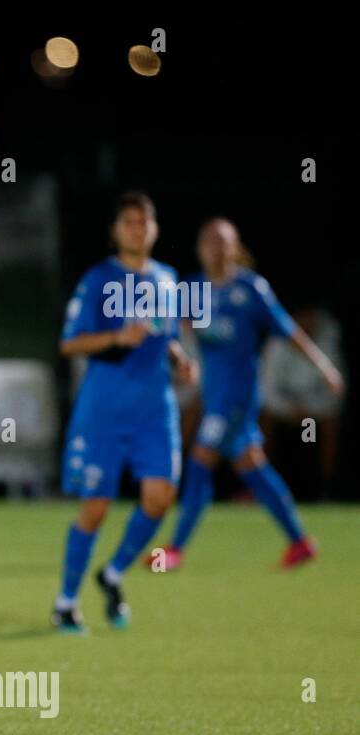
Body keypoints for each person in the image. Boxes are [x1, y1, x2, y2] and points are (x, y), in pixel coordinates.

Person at [155, 220, 344, 569]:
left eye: (222, 242)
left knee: (198, 463)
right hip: (213, 394)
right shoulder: (194, 289)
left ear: (235, 247)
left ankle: (175, 550)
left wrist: (325, 368)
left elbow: (289, 331)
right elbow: (171, 332)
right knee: (253, 467)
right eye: (209, 241)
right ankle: (300, 541)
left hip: (238, 396)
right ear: (199, 248)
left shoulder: (251, 289)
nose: (215, 248)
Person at [52, 192, 199, 634]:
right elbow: (70, 343)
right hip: (106, 412)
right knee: (95, 508)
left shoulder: (170, 280)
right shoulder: (99, 279)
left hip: (156, 410)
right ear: (116, 230)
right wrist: (117, 337)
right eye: (130, 222)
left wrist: (178, 358)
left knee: (160, 497)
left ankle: (113, 573)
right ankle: (66, 601)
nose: (138, 229)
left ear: (154, 229)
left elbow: (165, 334)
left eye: (145, 222)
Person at [260, 306, 346, 499]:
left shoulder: (328, 340)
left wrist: (309, 410)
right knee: (263, 417)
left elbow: (334, 394)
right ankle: (263, 485)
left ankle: (326, 484)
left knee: (315, 431)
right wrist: (290, 409)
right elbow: (268, 390)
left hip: (313, 412)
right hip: (283, 408)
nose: (305, 324)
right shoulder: (276, 343)